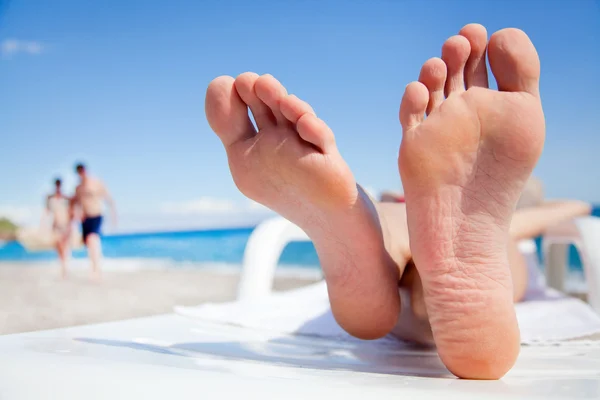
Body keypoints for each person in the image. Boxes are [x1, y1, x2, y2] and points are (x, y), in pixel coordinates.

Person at [204, 24, 592, 380]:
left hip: (402, 236)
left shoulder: (405, 196)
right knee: (497, 239)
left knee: (390, 225)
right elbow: (540, 215)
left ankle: (371, 245)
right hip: (458, 232)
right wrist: (578, 206)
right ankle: (445, 279)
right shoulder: (511, 212)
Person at [70, 163, 117, 281]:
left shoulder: (96, 183)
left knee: (92, 239)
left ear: (85, 170)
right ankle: (95, 265)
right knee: (89, 243)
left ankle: (96, 269)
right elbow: (75, 203)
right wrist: (76, 214)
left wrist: (114, 216)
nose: (81, 173)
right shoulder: (78, 188)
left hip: (97, 215)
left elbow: (109, 199)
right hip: (85, 218)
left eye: (82, 170)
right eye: (79, 172)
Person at [43, 178, 72, 278]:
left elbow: (70, 212)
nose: (58, 186)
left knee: (65, 246)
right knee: (59, 246)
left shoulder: (66, 199)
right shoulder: (50, 199)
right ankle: (63, 265)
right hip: (55, 225)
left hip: (65, 224)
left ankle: (65, 267)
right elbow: (47, 212)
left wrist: (70, 226)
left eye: (59, 184)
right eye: (57, 184)